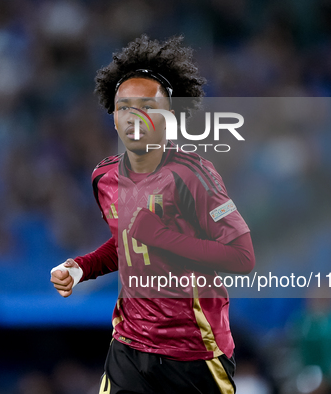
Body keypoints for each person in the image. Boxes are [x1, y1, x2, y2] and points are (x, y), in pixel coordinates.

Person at [50, 35, 255, 394]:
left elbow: (242, 257)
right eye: (124, 107)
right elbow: (126, 244)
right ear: (113, 118)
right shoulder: (105, 177)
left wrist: (162, 237)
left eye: (147, 106)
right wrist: (81, 267)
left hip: (194, 351)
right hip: (128, 346)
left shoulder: (195, 176)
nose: (134, 117)